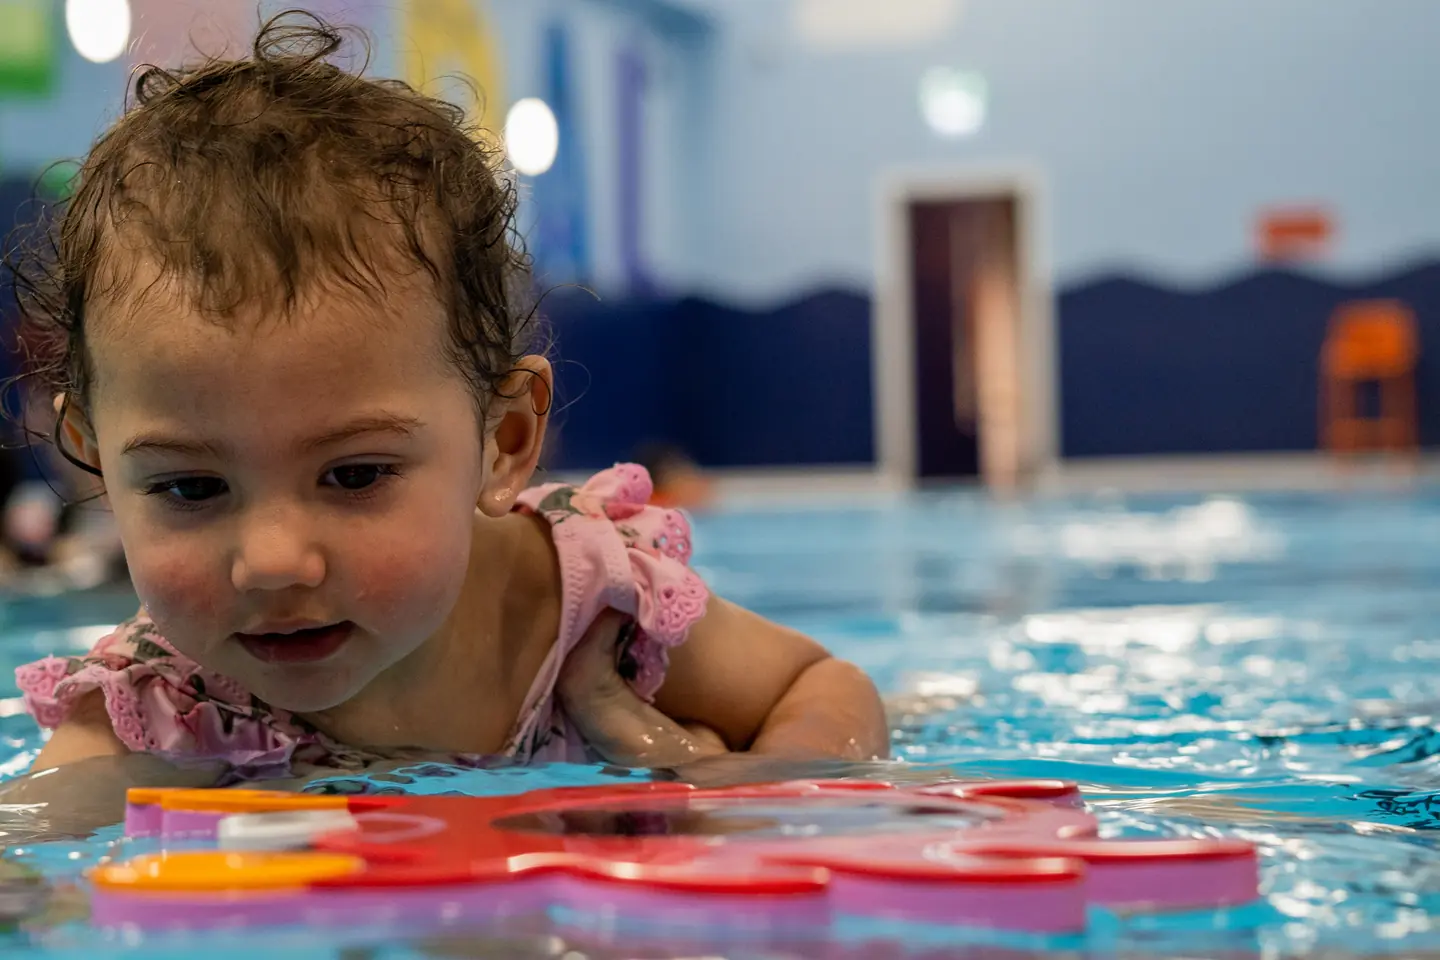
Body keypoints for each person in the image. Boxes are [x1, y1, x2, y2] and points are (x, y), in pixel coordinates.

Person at [7, 13, 887, 790]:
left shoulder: (588, 608)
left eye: (353, 474)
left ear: (502, 440)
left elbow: (824, 688)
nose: (274, 561)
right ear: (91, 454)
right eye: (189, 489)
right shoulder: (160, 706)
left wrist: (729, 789)